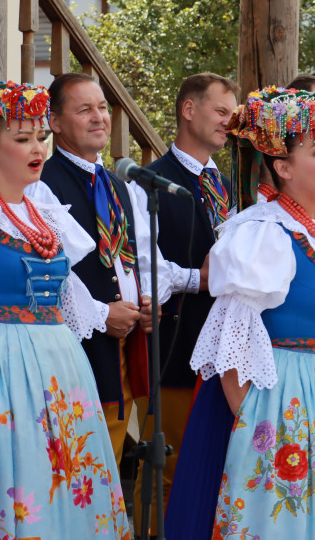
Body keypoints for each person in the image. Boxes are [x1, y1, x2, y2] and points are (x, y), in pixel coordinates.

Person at [171, 87, 315, 539]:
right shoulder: (263, 233)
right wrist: (258, 429)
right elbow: (233, 351)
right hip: (287, 400)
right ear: (282, 167)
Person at [0, 78, 130, 539]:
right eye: (21, 139)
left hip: (60, 363)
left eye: (40, 137)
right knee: (19, 474)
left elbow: (72, 300)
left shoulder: (48, 215)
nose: (36, 149)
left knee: (69, 476)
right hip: (0, 365)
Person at [31, 72, 154, 463]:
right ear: (54, 122)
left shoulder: (118, 185)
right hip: (80, 344)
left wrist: (144, 299)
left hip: (126, 340)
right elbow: (51, 269)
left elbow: (126, 255)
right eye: (84, 110)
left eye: (102, 107)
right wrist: (102, 315)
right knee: (84, 461)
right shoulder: (43, 185)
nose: (99, 117)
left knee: (113, 461)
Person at [131, 73, 235, 533]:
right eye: (221, 111)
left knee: (218, 464)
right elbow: (144, 267)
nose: (228, 123)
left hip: (226, 350)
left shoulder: (228, 185)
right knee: (166, 464)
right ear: (188, 110)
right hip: (175, 344)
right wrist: (201, 279)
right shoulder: (149, 183)